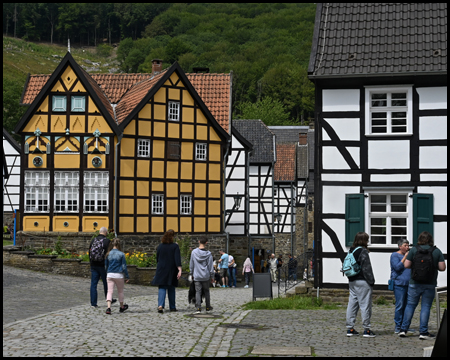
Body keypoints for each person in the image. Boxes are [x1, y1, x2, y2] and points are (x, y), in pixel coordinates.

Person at [398, 231, 446, 339]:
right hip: (430, 283)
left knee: (410, 305)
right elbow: (442, 267)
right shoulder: (436, 251)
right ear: (431, 239)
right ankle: (423, 332)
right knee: (425, 307)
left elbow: (406, 265)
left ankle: (403, 329)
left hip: (414, 283)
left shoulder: (414, 250)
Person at [345, 232, 376, 338]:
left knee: (352, 304)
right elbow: (367, 268)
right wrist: (371, 282)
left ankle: (350, 328)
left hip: (352, 280)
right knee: (365, 305)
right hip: (363, 281)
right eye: (367, 240)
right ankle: (367, 330)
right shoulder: (363, 251)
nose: (368, 241)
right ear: (364, 241)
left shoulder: (351, 250)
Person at [151, 230, 182, 313]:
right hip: (171, 269)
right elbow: (177, 259)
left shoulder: (160, 246)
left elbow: (157, 258)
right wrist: (179, 269)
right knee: (171, 287)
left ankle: (160, 305)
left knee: (162, 287)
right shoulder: (175, 246)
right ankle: (172, 307)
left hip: (161, 268)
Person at [89, 227, 116, 308]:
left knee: (93, 284)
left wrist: (91, 263)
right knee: (106, 283)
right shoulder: (107, 241)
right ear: (106, 232)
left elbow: (89, 252)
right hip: (103, 265)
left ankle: (93, 303)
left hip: (94, 264)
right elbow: (110, 254)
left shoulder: (93, 240)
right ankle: (108, 299)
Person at [390, 239, 411, 333]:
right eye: (405, 245)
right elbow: (397, 267)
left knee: (407, 305)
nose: (407, 247)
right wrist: (405, 257)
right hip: (399, 284)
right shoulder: (395, 255)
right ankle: (398, 326)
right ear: (400, 246)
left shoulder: (410, 256)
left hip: (409, 284)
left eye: (408, 245)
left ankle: (404, 326)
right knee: (400, 305)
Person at [104, 238, 130, 315]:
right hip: (119, 275)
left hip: (110, 274)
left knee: (109, 291)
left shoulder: (108, 254)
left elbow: (106, 266)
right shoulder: (121, 254)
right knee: (120, 291)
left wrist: (107, 273)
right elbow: (124, 266)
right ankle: (121, 306)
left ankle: (109, 307)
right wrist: (127, 276)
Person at [189, 236, 214, 314]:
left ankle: (198, 307)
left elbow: (191, 264)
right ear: (206, 243)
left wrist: (191, 273)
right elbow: (210, 266)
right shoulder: (208, 254)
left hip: (197, 275)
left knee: (198, 291)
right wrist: (212, 276)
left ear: (199, 241)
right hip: (205, 276)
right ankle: (207, 306)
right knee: (206, 291)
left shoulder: (194, 252)